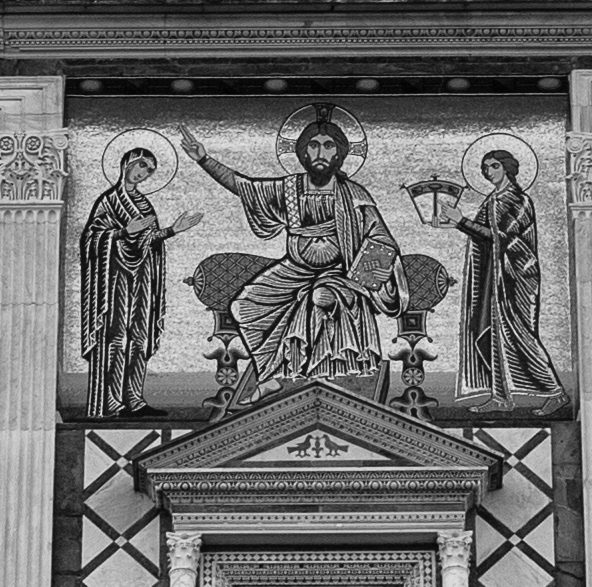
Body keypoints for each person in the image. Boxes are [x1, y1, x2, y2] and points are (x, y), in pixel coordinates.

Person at [193, 113, 411, 400]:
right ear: (303, 152)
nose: (321, 153)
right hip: (294, 269)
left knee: (321, 298)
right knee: (243, 307)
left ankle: (322, 376)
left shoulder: (353, 194)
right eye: (314, 145)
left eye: (329, 146)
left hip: (339, 272)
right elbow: (243, 186)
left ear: (341, 154)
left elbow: (382, 238)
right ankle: (269, 376)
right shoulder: (289, 189)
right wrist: (204, 160)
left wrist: (363, 279)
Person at [450, 145, 559, 398]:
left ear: (508, 167)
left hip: (514, 278)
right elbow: (484, 237)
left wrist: (462, 222)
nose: (489, 172)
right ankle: (500, 395)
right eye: (485, 167)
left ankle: (555, 393)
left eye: (494, 166)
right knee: (487, 332)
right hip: (492, 275)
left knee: (519, 335)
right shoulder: (491, 200)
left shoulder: (518, 200)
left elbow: (502, 237)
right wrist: (460, 223)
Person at [76, 147, 171, 417]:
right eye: (140, 166)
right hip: (113, 277)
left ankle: (136, 399)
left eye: (149, 171)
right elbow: (90, 240)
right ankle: (113, 401)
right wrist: (121, 233)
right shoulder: (108, 201)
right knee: (117, 337)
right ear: (127, 164)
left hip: (141, 276)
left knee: (140, 336)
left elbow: (148, 240)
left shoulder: (143, 204)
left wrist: (174, 230)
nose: (143, 174)